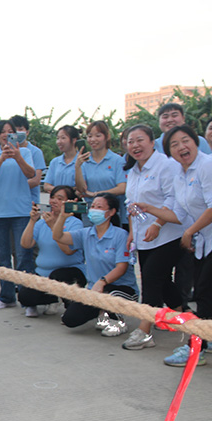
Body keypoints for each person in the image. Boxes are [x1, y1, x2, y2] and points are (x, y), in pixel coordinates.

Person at [133, 125, 212, 366]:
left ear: (196, 143)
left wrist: (189, 231)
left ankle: (195, 349)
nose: (181, 147)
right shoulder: (180, 174)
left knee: (205, 294)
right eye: (174, 145)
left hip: (204, 239)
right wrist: (150, 209)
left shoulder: (207, 165)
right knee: (204, 294)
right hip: (204, 242)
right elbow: (178, 213)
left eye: (185, 141)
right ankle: (203, 343)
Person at [121, 124, 184, 351]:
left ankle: (144, 331)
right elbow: (131, 206)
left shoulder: (166, 165)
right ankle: (184, 318)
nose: (135, 145)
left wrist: (158, 223)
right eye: (130, 141)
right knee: (163, 281)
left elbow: (174, 199)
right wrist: (131, 232)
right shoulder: (134, 170)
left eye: (140, 140)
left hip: (168, 234)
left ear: (151, 142)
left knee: (150, 279)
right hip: (143, 237)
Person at [52, 194, 139, 336]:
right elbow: (58, 236)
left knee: (109, 294)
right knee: (70, 319)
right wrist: (62, 216)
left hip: (121, 289)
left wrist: (102, 281)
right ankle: (102, 313)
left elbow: (121, 268)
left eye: (99, 207)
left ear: (111, 212)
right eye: (92, 206)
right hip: (95, 290)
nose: (94, 210)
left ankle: (118, 322)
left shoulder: (120, 235)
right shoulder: (86, 233)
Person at [0, 120, 37, 309]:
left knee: (24, 256)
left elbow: (31, 174)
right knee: (3, 257)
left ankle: (28, 300)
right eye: (3, 132)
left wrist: (17, 156)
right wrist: (2, 158)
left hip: (21, 211)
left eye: (11, 132)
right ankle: (7, 297)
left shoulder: (26, 152)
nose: (6, 135)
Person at [18, 186, 87, 318]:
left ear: (70, 202)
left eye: (60, 199)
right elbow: (26, 244)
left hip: (69, 272)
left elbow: (68, 251)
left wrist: (53, 227)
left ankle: (70, 304)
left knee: (59, 275)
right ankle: (53, 299)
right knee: (25, 296)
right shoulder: (41, 223)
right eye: (52, 198)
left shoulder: (75, 223)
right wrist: (32, 221)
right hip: (44, 273)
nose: (54, 201)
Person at [74, 121, 127, 227]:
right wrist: (77, 167)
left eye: (98, 135)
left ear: (107, 137)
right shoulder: (84, 161)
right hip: (90, 212)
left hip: (111, 212)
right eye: (89, 136)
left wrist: (96, 194)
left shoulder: (117, 160)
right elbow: (81, 189)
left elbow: (122, 188)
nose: (93, 139)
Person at [10, 115, 47, 204]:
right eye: (14, 130)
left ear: (27, 132)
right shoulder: (6, 151)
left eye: (20, 129)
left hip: (30, 203)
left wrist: (10, 188)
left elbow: (36, 180)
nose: (18, 132)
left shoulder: (35, 152)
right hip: (10, 204)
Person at [43, 126, 80, 192]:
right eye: (58, 138)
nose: (59, 142)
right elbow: (46, 185)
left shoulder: (83, 161)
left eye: (63, 138)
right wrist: (63, 192)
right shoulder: (55, 162)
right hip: (57, 201)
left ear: (74, 140)